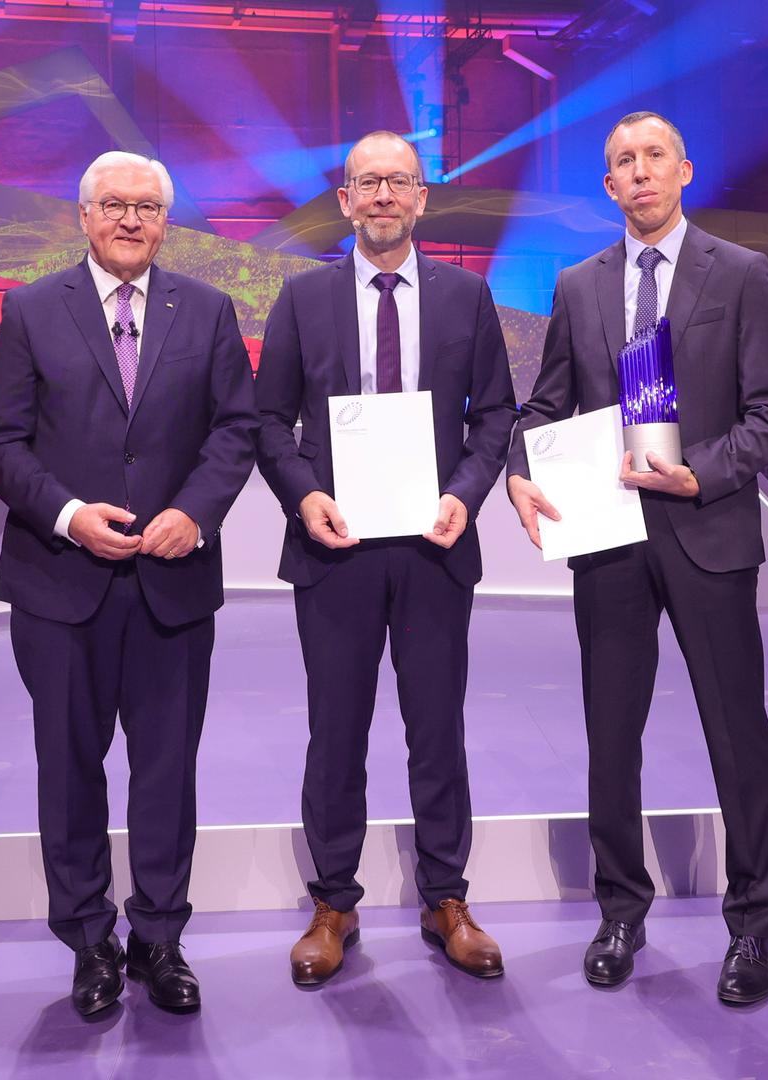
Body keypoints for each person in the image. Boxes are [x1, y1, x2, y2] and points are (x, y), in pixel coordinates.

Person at [504, 111, 768, 1005]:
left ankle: (752, 929)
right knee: (610, 734)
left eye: (653, 158)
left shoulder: (740, 274)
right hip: (609, 542)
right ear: (607, 184)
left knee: (735, 734)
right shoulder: (578, 285)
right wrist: (520, 467)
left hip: (706, 533)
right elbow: (547, 403)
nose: (639, 173)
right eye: (622, 162)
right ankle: (620, 909)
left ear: (685, 170)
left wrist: (694, 476)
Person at [0, 150, 256, 1017]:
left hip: (173, 580)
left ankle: (160, 938)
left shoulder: (207, 310)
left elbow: (235, 429)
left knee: (167, 771)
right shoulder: (28, 310)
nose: (131, 219)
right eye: (114, 205)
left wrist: (195, 513)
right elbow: (1, 444)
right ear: (85, 216)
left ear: (165, 221)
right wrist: (67, 516)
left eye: (147, 206)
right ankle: (89, 940)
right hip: (61, 582)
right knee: (69, 769)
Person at [254, 131, 518, 986]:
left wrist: (466, 493)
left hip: (436, 546)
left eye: (397, 183)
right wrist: (304, 495)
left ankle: (447, 898)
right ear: (344, 199)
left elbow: (493, 417)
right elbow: (267, 422)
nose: (381, 197)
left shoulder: (466, 297)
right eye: (366, 183)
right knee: (336, 731)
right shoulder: (301, 298)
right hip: (336, 547)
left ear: (421, 197)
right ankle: (333, 902)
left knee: (437, 730)